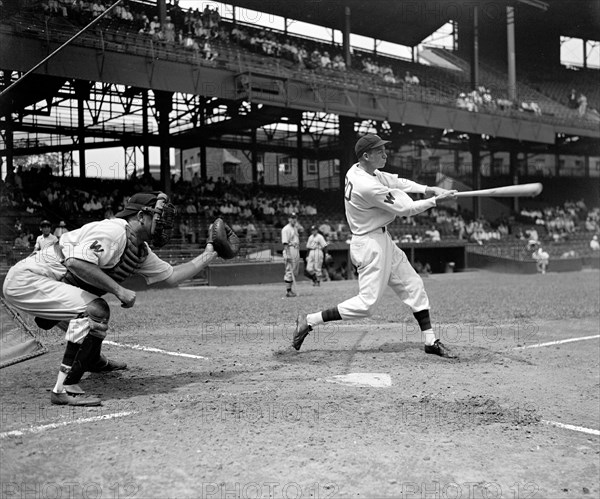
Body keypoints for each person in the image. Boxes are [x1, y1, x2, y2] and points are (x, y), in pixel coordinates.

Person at [3, 192, 224, 407]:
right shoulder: (114, 231)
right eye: (158, 216)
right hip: (29, 278)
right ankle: (65, 388)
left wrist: (210, 253)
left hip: (52, 280)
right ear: (140, 216)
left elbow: (172, 276)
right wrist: (119, 290)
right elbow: (75, 263)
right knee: (96, 310)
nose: (164, 223)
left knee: (94, 310)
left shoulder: (139, 249)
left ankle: (92, 360)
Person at [292, 134, 457, 356]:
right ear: (366, 156)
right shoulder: (366, 185)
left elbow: (396, 181)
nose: (385, 154)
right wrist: (436, 201)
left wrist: (429, 189)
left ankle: (430, 341)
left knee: (413, 285)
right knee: (366, 305)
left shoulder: (359, 169)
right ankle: (310, 320)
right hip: (369, 244)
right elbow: (405, 209)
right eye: (379, 151)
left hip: (382, 239)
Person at [281, 212, 300, 297]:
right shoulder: (286, 229)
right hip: (289, 249)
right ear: (289, 219)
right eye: (292, 218)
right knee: (290, 270)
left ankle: (290, 290)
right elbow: (285, 243)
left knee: (294, 271)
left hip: (295, 249)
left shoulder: (295, 228)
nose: (294, 219)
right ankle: (288, 291)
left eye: (295, 218)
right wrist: (287, 254)